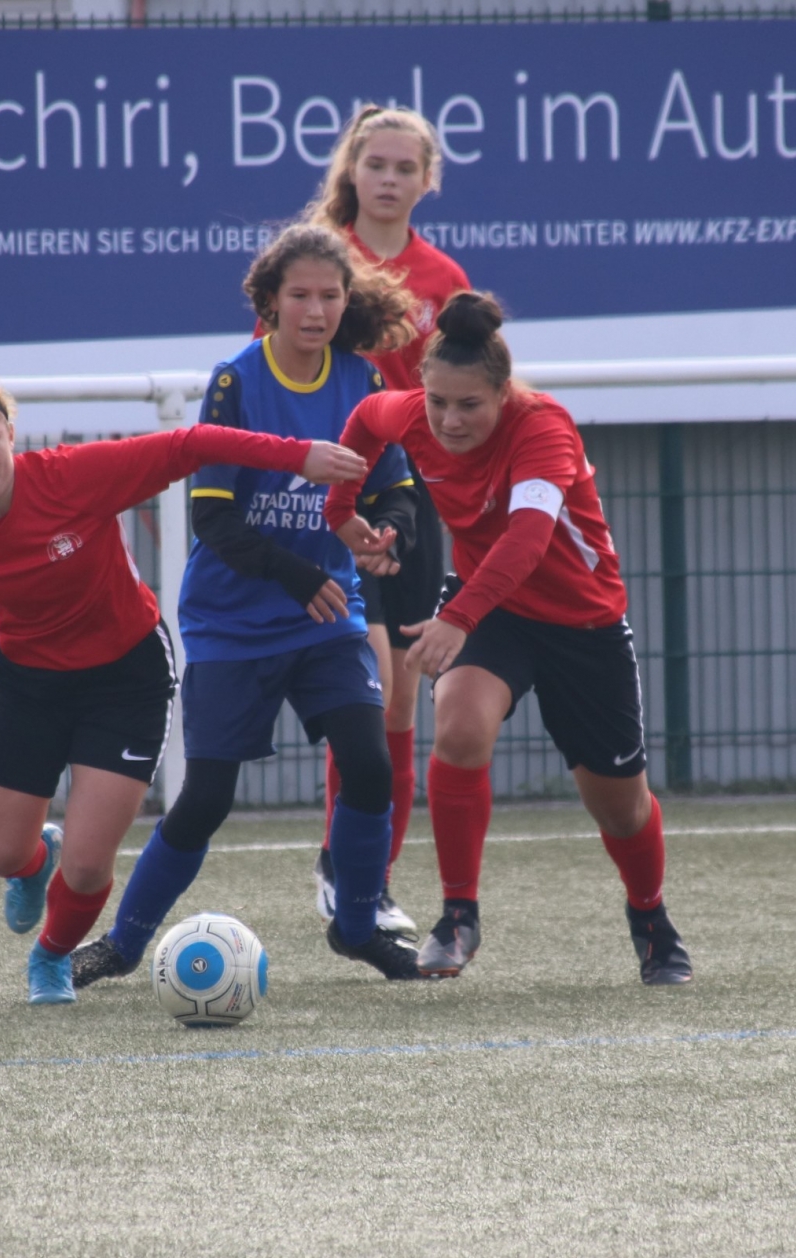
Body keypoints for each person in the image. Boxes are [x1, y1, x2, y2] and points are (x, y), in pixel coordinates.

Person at [0, 350, 367, 1005]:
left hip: (125, 678)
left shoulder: (73, 476)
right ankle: (33, 861)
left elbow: (190, 444)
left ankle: (51, 958)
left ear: (11, 435)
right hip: (29, 686)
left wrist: (299, 456)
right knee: (1, 856)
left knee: (88, 866)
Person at [70, 223, 427, 989]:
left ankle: (357, 928)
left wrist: (389, 533)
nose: (316, 310)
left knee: (370, 766)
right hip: (232, 623)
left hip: (326, 619)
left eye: (330, 295)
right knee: (205, 799)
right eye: (299, 295)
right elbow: (212, 518)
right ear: (268, 302)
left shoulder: (363, 382)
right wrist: (297, 574)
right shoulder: (236, 382)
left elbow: (397, 488)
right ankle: (123, 945)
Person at [328, 291, 694, 986]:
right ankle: (457, 915)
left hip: (582, 623)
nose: (449, 420)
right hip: (491, 610)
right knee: (459, 727)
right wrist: (340, 509)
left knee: (620, 807)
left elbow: (527, 540)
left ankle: (651, 918)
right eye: (438, 401)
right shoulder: (414, 414)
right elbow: (366, 419)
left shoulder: (543, 427)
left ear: (503, 393)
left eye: (469, 404)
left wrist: (456, 618)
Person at [303, 106, 471, 932]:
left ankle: (371, 876)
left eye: (407, 167)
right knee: (363, 686)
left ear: (427, 180)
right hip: (333, 492)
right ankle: (343, 867)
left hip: (412, 499)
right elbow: (277, 369)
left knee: (402, 700)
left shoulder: (443, 276)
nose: (391, 179)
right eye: (377, 164)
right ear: (352, 169)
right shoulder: (317, 260)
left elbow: (466, 395)